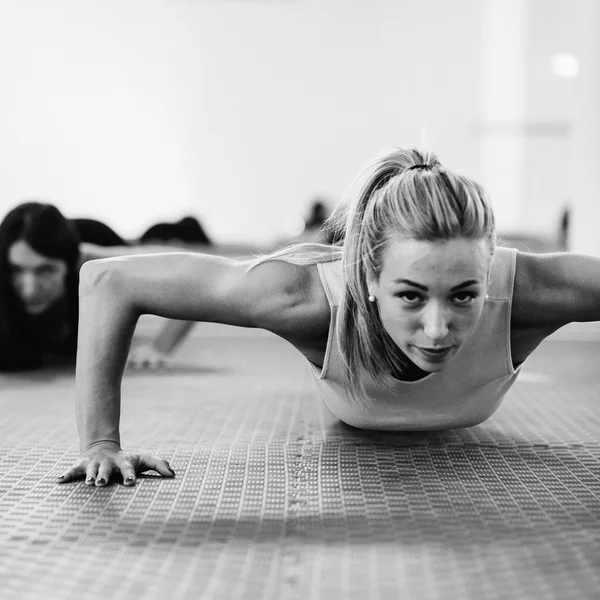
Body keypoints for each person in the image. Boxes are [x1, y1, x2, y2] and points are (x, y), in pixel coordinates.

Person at [57, 146, 600, 487]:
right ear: (367, 278)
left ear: (488, 277)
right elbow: (109, 280)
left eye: (464, 297)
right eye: (410, 296)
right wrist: (100, 443)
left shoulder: (528, 292)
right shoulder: (308, 300)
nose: (437, 330)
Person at [0, 202, 195, 372]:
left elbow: (188, 271)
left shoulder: (88, 261)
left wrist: (160, 347)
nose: (30, 290)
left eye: (46, 270)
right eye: (17, 270)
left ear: (68, 264)